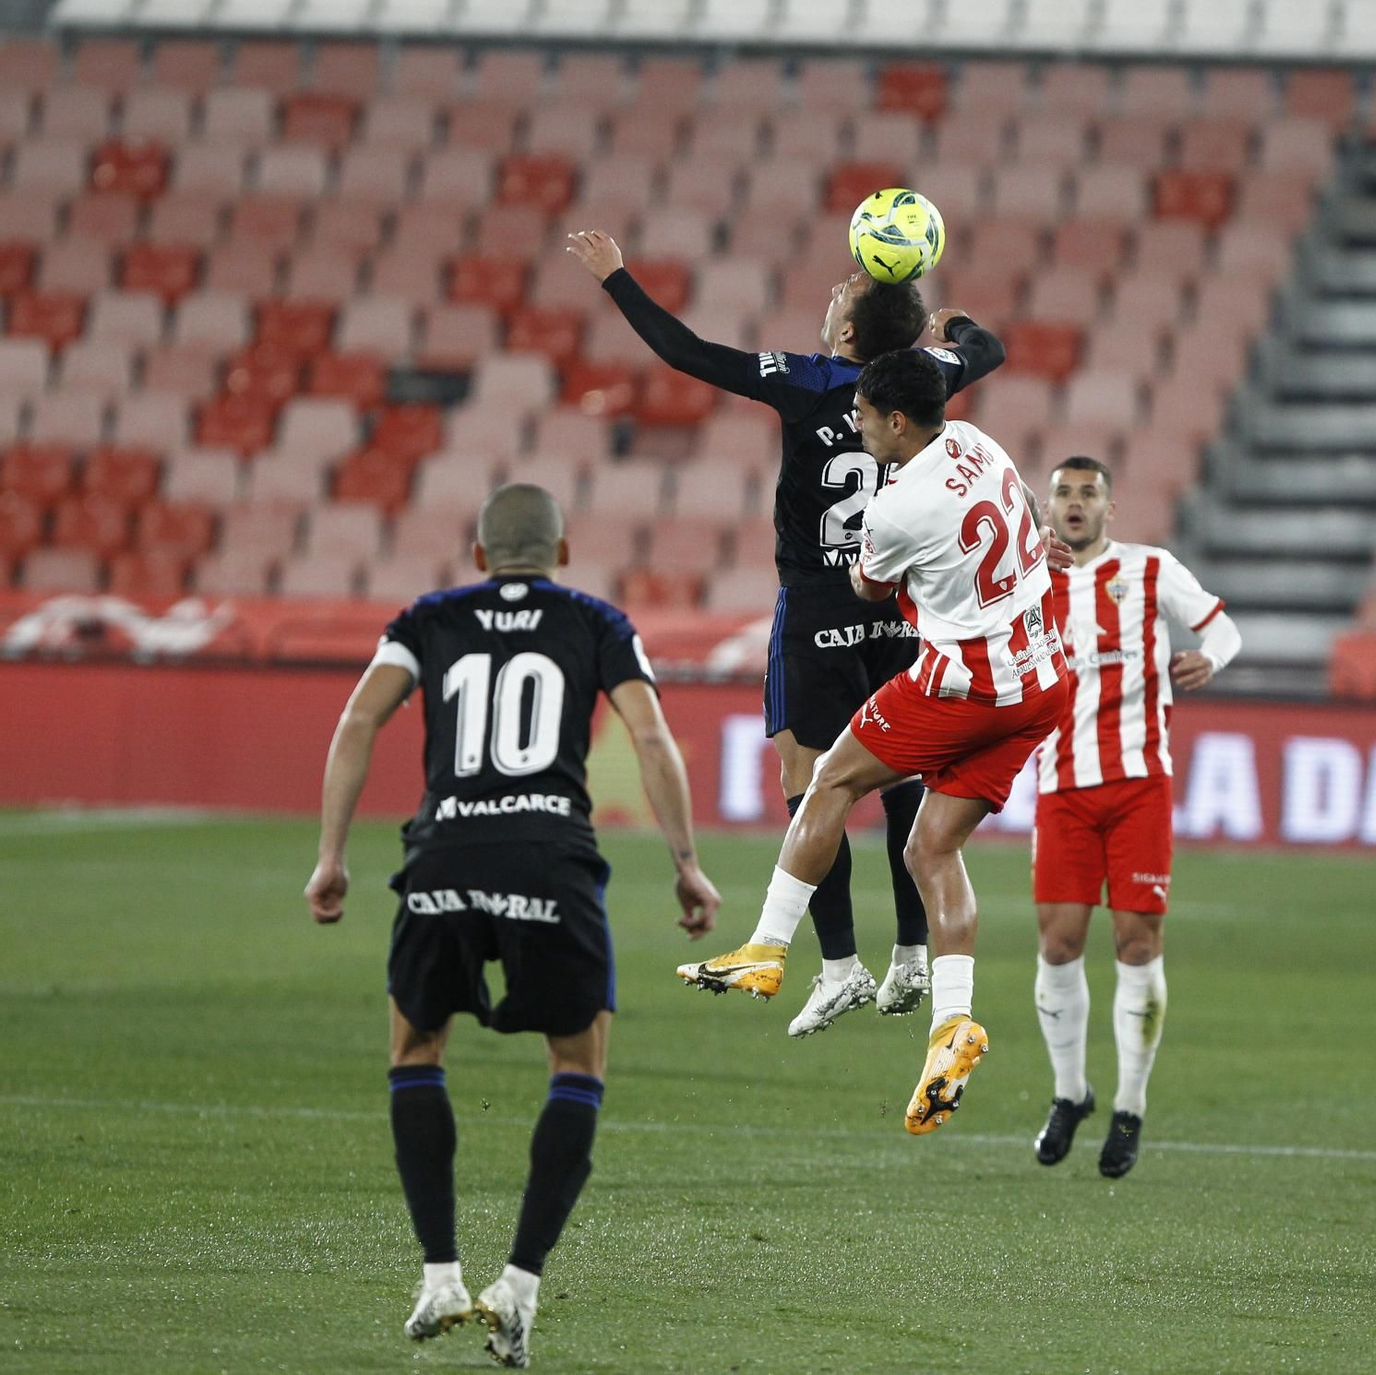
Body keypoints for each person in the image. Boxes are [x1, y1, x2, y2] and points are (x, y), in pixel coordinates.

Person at [302, 483, 721, 1368]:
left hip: (444, 853)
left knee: (416, 1053)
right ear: (562, 554)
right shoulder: (595, 621)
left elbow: (356, 721)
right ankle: (520, 1289)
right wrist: (685, 862)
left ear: (480, 555)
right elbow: (650, 739)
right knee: (577, 1065)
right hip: (550, 857)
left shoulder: (428, 617)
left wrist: (332, 853)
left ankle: (439, 1276)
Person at [567, 228, 1007, 1039]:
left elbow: (687, 353)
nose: (836, 292)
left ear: (845, 334)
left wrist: (617, 279)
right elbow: (991, 350)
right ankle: (912, 952)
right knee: (902, 770)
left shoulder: (804, 383)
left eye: (842, 293)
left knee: (811, 782)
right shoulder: (930, 375)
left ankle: (840, 965)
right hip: (906, 607)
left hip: (817, 604)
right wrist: (957, 329)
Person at [678, 350, 1067, 1135]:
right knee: (930, 850)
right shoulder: (981, 444)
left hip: (967, 682)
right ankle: (952, 1027)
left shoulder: (894, 507)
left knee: (829, 780)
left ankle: (767, 946)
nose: (852, 426)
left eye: (861, 416)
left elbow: (867, 587)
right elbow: (1022, 504)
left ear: (897, 421)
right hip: (1042, 680)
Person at [1030, 457, 1242, 1179]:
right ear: (1049, 506)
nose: (1075, 503)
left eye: (1089, 493)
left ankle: (1129, 1106)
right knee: (1058, 945)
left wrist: (1209, 659)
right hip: (1060, 786)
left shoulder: (1150, 571)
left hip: (1138, 786)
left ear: (1110, 507)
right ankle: (1069, 1093)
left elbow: (1224, 629)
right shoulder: (1031, 578)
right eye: (1064, 492)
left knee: (1136, 946)